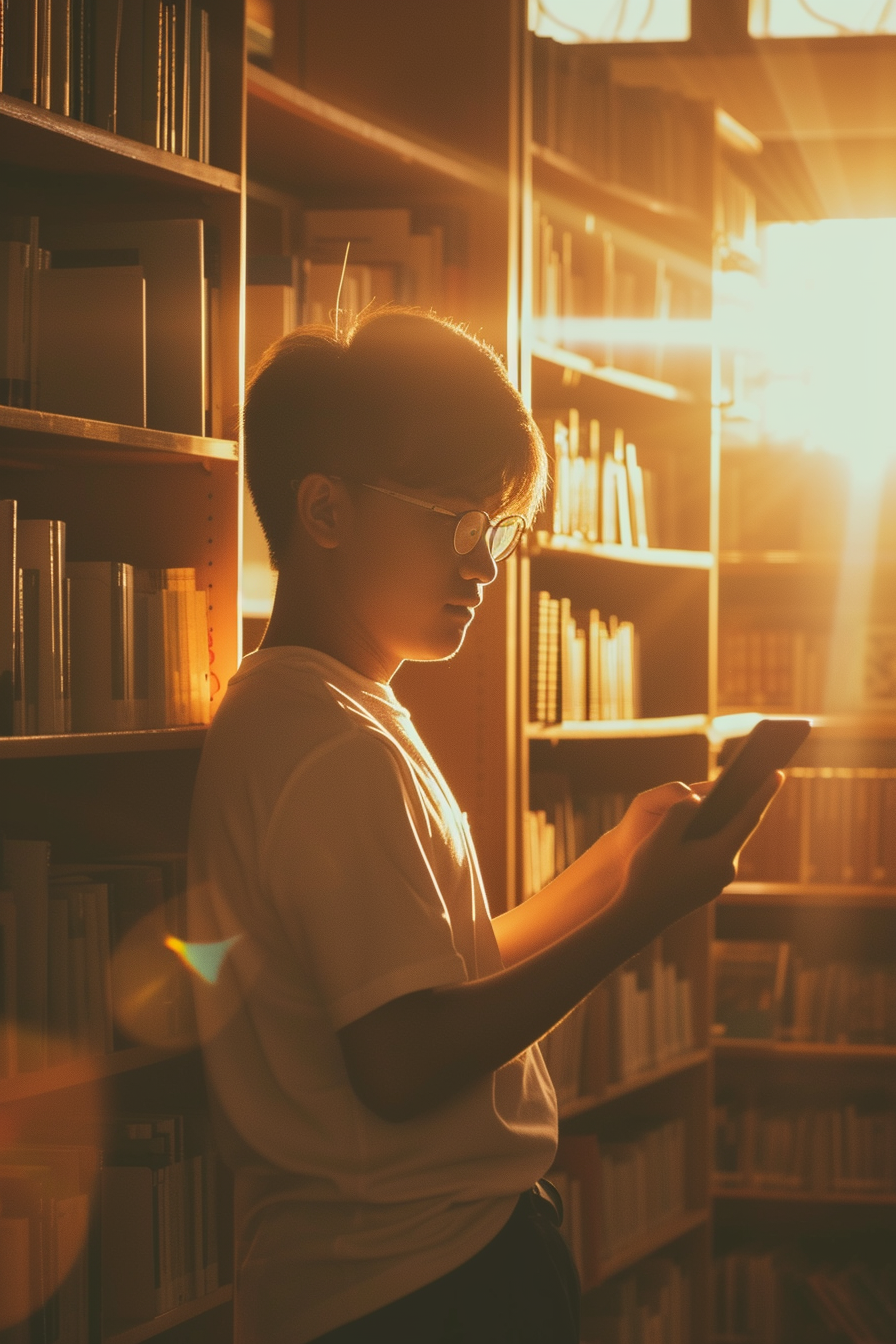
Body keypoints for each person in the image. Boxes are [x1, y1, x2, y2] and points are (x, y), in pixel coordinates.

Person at [187, 308, 780, 1344]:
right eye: (456, 524)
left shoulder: (326, 711)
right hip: (416, 1285)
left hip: (394, 1270)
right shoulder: (333, 747)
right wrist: (637, 919)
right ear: (323, 510)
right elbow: (404, 1064)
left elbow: (436, 982)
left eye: (496, 530)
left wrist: (612, 870)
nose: (488, 565)